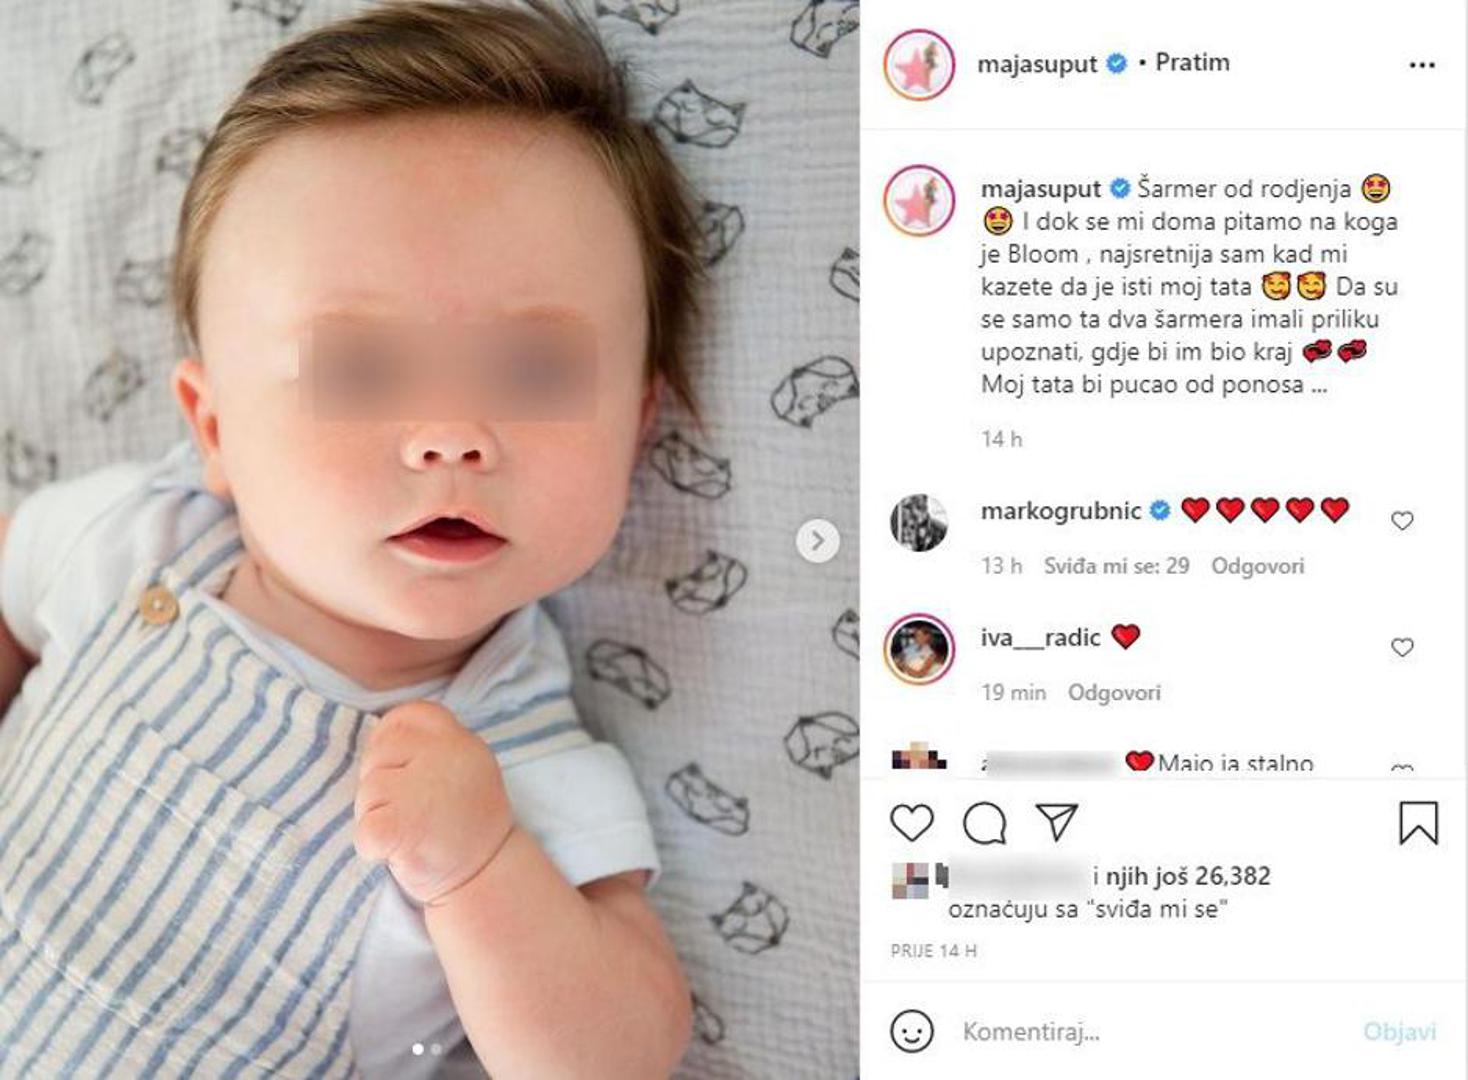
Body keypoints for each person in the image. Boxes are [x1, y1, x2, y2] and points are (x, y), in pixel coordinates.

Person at [0, 2, 705, 1076]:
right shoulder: (142, 536)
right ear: (215, 431)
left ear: (637, 427)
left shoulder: (518, 759)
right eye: (358, 369)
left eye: (536, 371)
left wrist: (479, 871)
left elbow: (621, 1055)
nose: (450, 436)